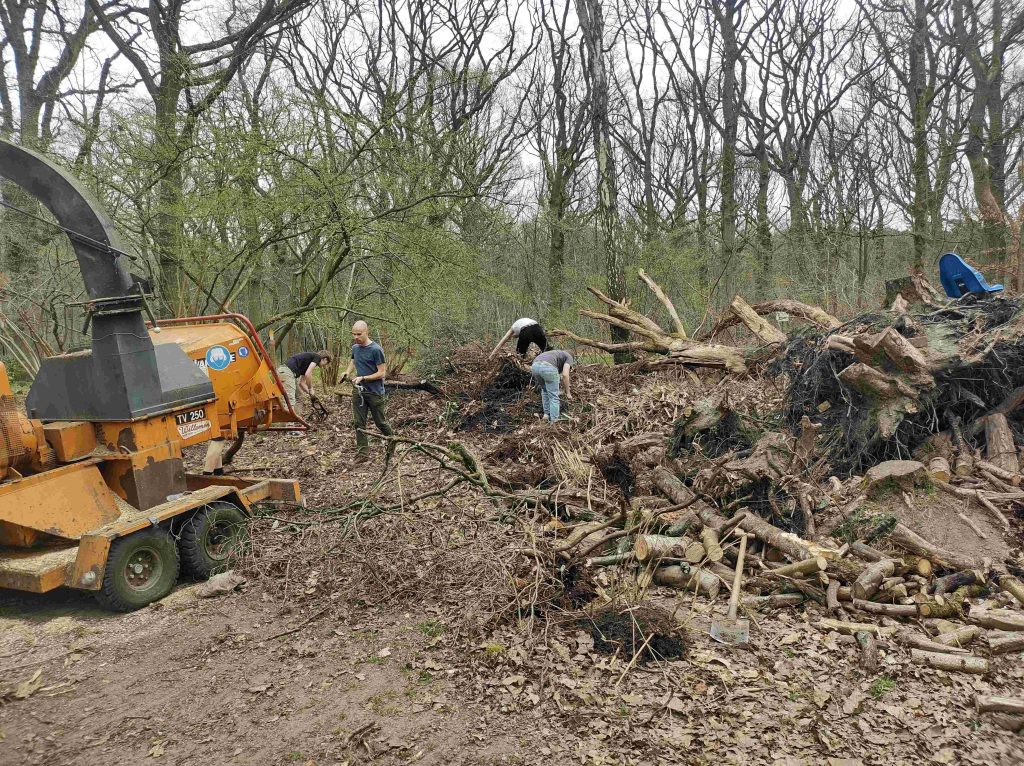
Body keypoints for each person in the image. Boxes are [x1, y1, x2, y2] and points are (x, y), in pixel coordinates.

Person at [340, 320, 395, 464]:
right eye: (353, 334)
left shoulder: (376, 350)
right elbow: (353, 361)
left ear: (366, 332)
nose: (356, 337)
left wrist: (363, 377)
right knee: (359, 423)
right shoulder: (355, 348)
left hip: (375, 393)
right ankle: (362, 454)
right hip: (359, 392)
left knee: (380, 422)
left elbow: (382, 373)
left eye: (359, 334)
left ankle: (393, 441)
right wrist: (347, 372)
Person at [276, 349, 332, 416]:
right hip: (287, 373)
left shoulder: (309, 362)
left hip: (286, 373)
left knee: (300, 397)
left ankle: (297, 417)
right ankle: (289, 421)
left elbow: (301, 383)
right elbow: (308, 374)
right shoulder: (317, 357)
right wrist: (311, 388)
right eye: (326, 363)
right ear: (325, 359)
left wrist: (312, 395)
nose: (324, 366)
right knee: (290, 400)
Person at [530, 348, 573, 423]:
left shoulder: (556, 353)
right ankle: (554, 421)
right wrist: (568, 392)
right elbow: (565, 375)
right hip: (548, 367)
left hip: (535, 366)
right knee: (553, 396)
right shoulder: (569, 357)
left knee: (545, 390)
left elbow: (559, 373)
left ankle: (546, 415)